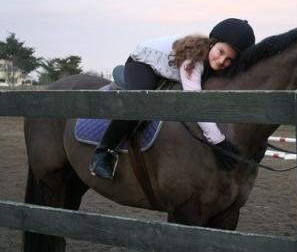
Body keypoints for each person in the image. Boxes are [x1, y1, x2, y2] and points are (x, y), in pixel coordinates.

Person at [89, 18, 255, 179]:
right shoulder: (193, 59)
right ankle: (103, 152)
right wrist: (218, 141)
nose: (221, 61)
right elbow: (195, 104)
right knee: (140, 103)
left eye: (229, 60)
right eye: (221, 52)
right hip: (144, 63)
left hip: (170, 68)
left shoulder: (213, 59)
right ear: (212, 42)